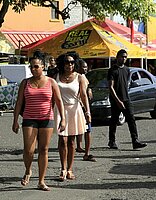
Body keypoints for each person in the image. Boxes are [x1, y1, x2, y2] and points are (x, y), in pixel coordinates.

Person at [12, 55, 65, 191]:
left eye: (36, 66)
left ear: (43, 67)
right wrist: (15, 120)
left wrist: (63, 119)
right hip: (29, 118)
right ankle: (28, 170)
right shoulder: (25, 82)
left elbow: (59, 101)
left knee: (43, 149)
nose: (33, 69)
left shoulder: (51, 82)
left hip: (46, 119)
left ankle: (41, 181)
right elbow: (19, 102)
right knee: (29, 150)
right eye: (31, 67)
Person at [54, 53, 91, 181]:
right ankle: (63, 168)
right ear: (62, 64)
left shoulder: (79, 77)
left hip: (74, 110)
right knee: (62, 140)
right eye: (66, 62)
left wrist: (88, 112)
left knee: (71, 141)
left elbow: (84, 95)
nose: (69, 65)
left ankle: (70, 169)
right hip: (60, 110)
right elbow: (52, 95)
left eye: (71, 62)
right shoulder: (56, 77)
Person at [107, 49, 147, 150]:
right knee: (114, 120)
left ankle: (135, 141)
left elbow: (127, 83)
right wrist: (118, 101)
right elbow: (110, 87)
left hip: (126, 98)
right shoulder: (112, 70)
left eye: (125, 57)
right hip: (116, 100)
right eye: (122, 56)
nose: (124, 58)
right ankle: (112, 141)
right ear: (117, 57)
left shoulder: (126, 69)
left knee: (131, 119)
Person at [75, 59, 96, 162]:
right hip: (79, 107)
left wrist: (89, 89)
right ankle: (82, 150)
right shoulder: (76, 77)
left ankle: (84, 150)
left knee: (86, 129)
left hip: (83, 107)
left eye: (86, 67)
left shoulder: (83, 77)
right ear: (78, 67)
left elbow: (86, 89)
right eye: (83, 67)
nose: (86, 68)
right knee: (83, 130)